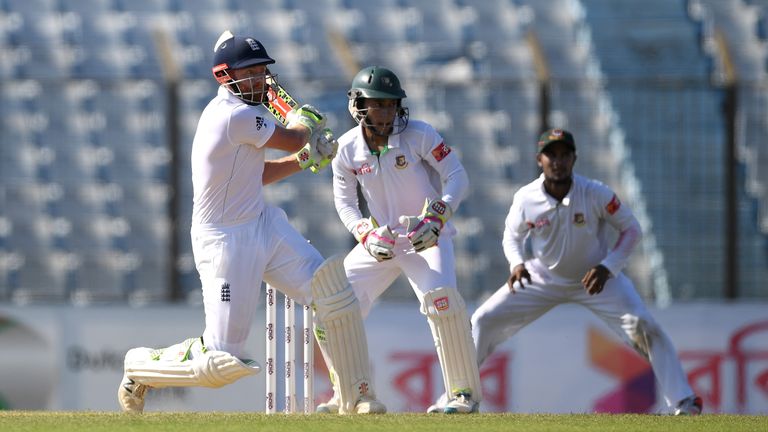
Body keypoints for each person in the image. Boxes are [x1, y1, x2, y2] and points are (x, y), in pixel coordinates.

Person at [117, 31, 386, 415]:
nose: (260, 80)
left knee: (333, 295)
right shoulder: (233, 115)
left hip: (262, 224)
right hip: (224, 242)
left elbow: (254, 175)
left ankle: (356, 397)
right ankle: (140, 366)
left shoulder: (251, 111)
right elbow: (293, 139)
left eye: (262, 72)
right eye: (250, 73)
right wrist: (304, 123)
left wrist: (306, 159)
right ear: (225, 77)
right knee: (222, 360)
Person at [468, 128, 702, 415]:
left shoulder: (595, 193)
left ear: (574, 158)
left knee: (644, 325)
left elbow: (632, 230)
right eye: (551, 155)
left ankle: (684, 401)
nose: (558, 161)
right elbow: (511, 237)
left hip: (597, 279)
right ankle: (461, 396)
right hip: (541, 277)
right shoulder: (526, 198)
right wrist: (516, 263)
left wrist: (608, 267)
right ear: (538, 160)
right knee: (483, 319)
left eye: (564, 155)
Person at [319, 65, 482, 414]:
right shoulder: (346, 149)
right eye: (377, 104)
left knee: (443, 303)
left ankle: (462, 394)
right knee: (331, 304)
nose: (386, 112)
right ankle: (347, 393)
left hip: (426, 238)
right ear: (358, 105)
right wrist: (363, 233)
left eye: (391, 104)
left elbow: (456, 176)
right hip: (381, 242)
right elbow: (345, 203)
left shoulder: (420, 134)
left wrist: (438, 216)